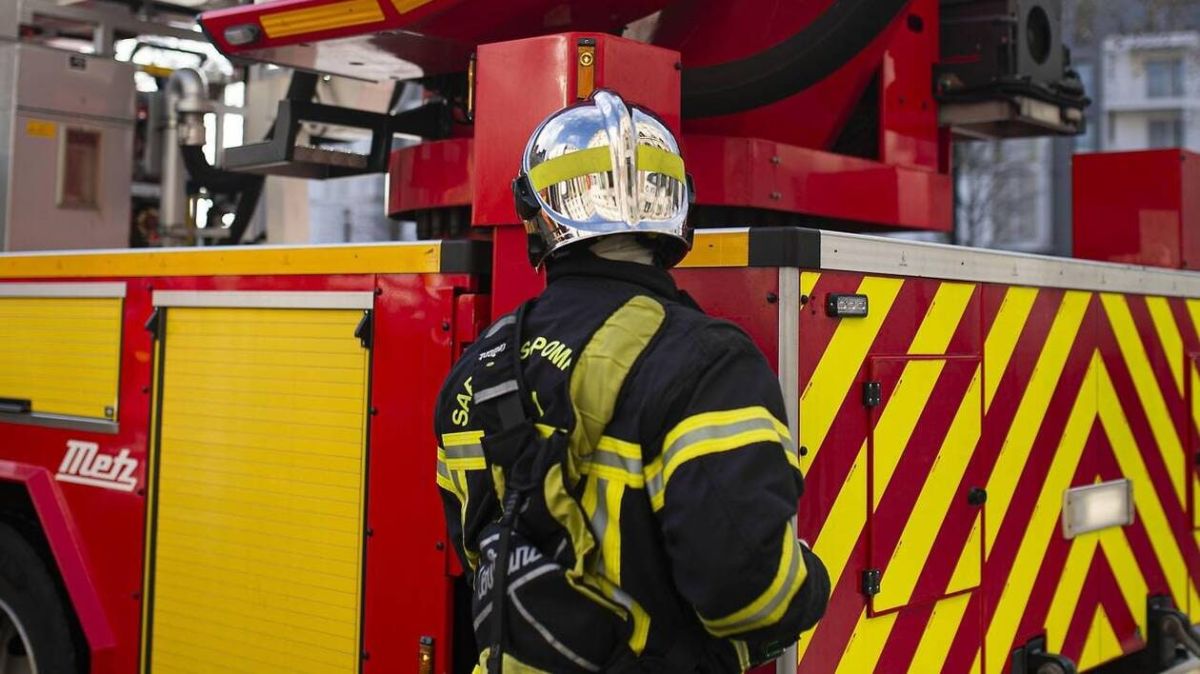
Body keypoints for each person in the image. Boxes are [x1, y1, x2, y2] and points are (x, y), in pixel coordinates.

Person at [434, 89, 829, 674]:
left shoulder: (472, 375)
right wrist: (814, 581)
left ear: (537, 215)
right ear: (676, 210)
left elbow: (482, 555)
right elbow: (755, 599)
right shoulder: (704, 363)